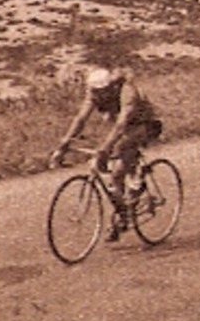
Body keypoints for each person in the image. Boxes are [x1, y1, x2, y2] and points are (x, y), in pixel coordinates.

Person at [50, 67, 164, 241]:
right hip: (123, 129)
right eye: (95, 93)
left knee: (119, 161)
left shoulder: (128, 93)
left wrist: (105, 149)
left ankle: (134, 193)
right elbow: (81, 118)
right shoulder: (94, 94)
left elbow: (120, 125)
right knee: (113, 171)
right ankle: (123, 210)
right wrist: (63, 145)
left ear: (111, 88)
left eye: (101, 93)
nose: (98, 97)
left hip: (144, 126)